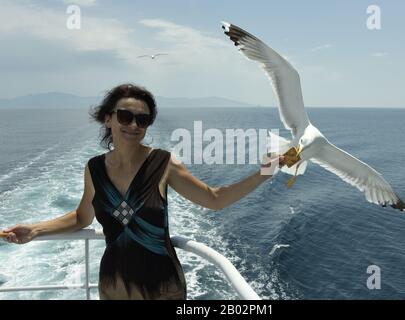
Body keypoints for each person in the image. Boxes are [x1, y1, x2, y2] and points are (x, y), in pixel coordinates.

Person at [2, 83, 285, 300]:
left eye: (143, 119)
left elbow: (214, 199)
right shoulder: (94, 169)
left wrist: (264, 173)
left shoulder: (163, 164)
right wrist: (36, 230)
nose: (134, 125)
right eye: (125, 116)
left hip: (162, 287)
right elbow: (82, 217)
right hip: (114, 285)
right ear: (108, 119)